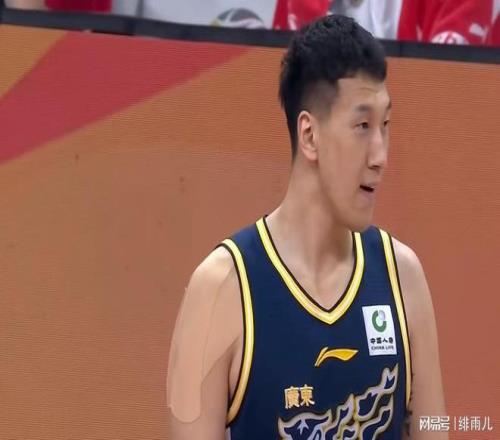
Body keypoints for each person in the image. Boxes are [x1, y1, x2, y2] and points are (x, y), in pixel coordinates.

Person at [167, 14, 447, 439]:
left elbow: (434, 426)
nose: (380, 156)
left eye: (385, 126)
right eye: (362, 126)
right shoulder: (221, 290)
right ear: (310, 135)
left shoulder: (403, 277)